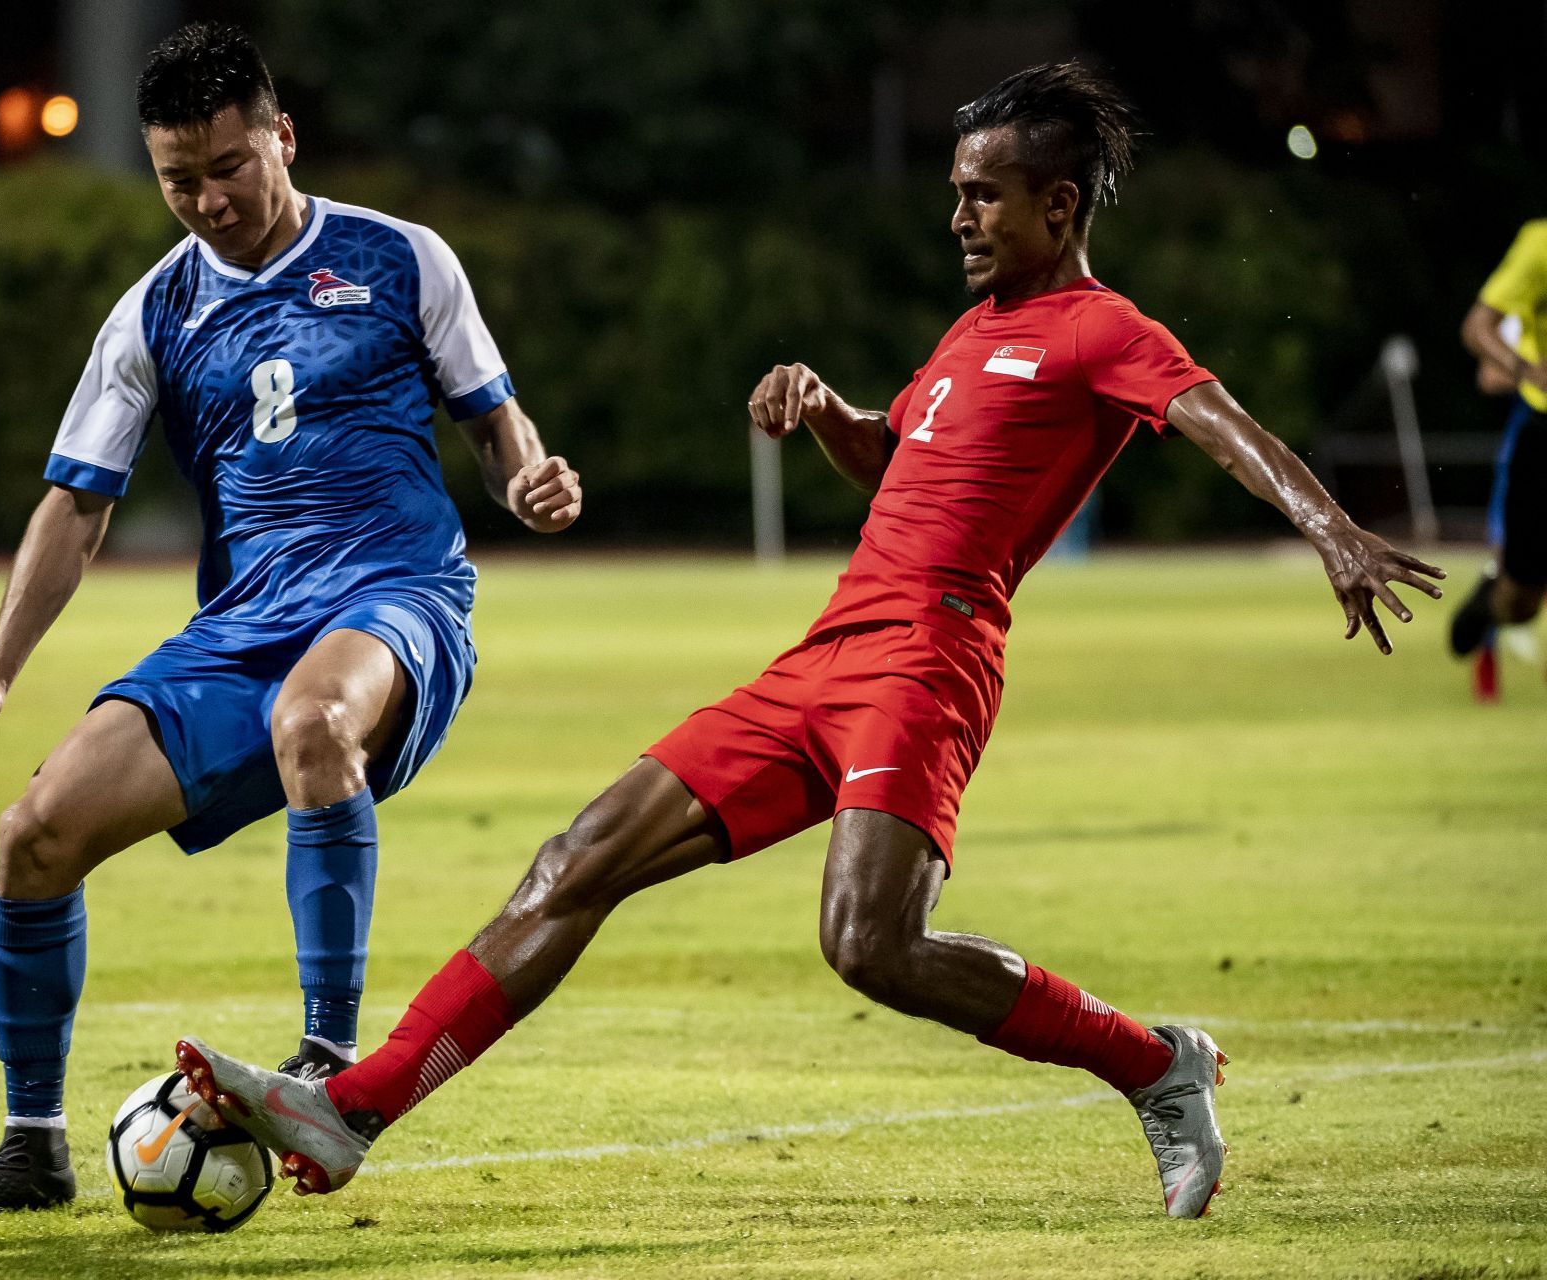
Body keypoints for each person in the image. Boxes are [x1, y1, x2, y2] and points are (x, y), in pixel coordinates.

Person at [175, 62, 1442, 1221]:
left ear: (1059, 207)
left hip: (931, 659)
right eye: (956, 193)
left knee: (869, 944)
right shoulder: (970, 332)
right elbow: (900, 465)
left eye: (984, 197)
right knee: (578, 855)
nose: (958, 218)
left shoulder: (1099, 328)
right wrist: (835, 413)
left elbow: (1214, 416)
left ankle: (1155, 1063)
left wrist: (1332, 528)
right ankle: (354, 1111)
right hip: (827, 651)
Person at [0, 22, 582, 1214]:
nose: (209, 199)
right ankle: (31, 1144)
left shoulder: (399, 257)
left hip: (399, 592)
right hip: (244, 621)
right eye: (180, 178)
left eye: (230, 167)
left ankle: (325, 1069)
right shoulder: (153, 313)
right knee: (33, 835)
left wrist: (529, 474)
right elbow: (75, 506)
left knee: (315, 719)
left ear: (283, 136)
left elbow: (493, 418)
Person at [1450, 221, 1547, 673]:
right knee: (1522, 603)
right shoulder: (1539, 244)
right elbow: (1480, 334)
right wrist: (1526, 369)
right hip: (1542, 433)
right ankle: (1493, 599)